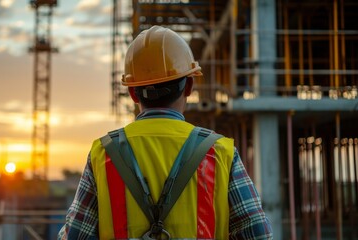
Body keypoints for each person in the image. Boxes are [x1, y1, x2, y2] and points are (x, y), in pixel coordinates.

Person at [58, 25, 272, 239]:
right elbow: (258, 235)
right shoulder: (220, 152)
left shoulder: (103, 153)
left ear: (133, 93)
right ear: (189, 85)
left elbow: (75, 236)